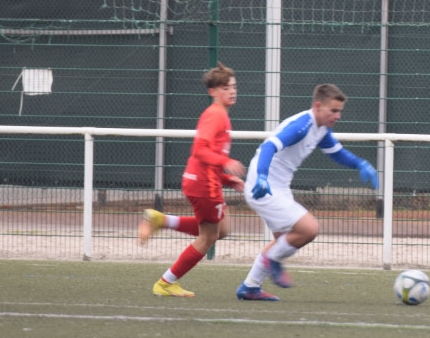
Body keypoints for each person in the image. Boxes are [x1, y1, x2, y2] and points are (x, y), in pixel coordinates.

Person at [236, 83, 379, 301]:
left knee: (286, 240)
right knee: (308, 229)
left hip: (279, 186)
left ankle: (250, 287)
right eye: (334, 110)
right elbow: (268, 147)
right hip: (263, 185)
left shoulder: (321, 129)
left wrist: (361, 164)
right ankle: (271, 261)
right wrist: (263, 176)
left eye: (340, 111)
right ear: (318, 106)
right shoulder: (302, 125)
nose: (338, 115)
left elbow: (337, 153)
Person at [138, 63, 245, 297]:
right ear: (213, 91)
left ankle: (161, 220)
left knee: (222, 229)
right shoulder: (216, 115)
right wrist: (224, 164)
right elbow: (200, 150)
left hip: (203, 181)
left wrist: (227, 179)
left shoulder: (220, 116)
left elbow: (208, 156)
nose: (232, 91)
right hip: (203, 185)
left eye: (234, 86)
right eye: (226, 87)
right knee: (208, 237)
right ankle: (166, 282)